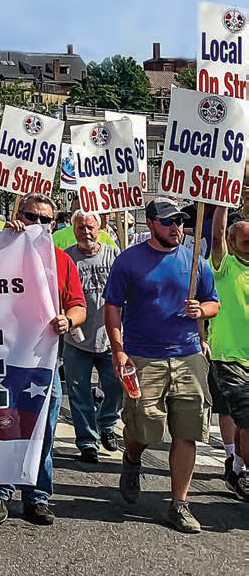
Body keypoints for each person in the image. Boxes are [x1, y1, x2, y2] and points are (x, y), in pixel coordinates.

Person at [105, 196, 220, 534]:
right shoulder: (129, 261)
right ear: (151, 223)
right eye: (169, 221)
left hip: (187, 357)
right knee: (143, 429)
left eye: (181, 221)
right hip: (143, 358)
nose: (177, 227)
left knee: (187, 431)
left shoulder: (195, 261)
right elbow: (113, 307)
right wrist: (118, 350)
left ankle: (179, 504)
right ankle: (132, 458)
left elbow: (213, 302)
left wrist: (202, 311)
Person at [0, 193, 86, 527]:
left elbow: (78, 305)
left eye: (46, 219)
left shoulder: (62, 260)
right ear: (19, 216)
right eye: (31, 217)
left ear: (55, 224)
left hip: (43, 362)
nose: (38, 224)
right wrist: (4, 241)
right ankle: (1, 493)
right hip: (3, 358)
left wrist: (68, 320)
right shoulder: (2, 252)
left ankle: (37, 497)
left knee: (43, 431)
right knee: (3, 427)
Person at [61, 211, 123, 464]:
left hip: (110, 338)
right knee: (79, 393)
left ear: (100, 228)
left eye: (90, 227)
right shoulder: (67, 258)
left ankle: (107, 424)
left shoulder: (114, 255)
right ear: (73, 229)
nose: (85, 232)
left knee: (116, 387)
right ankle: (87, 442)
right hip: (77, 340)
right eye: (80, 227)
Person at [208, 204, 249, 500]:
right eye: (245, 240)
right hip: (229, 359)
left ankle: (236, 468)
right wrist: (222, 200)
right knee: (247, 420)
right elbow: (216, 235)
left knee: (242, 421)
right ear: (232, 244)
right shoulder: (224, 268)